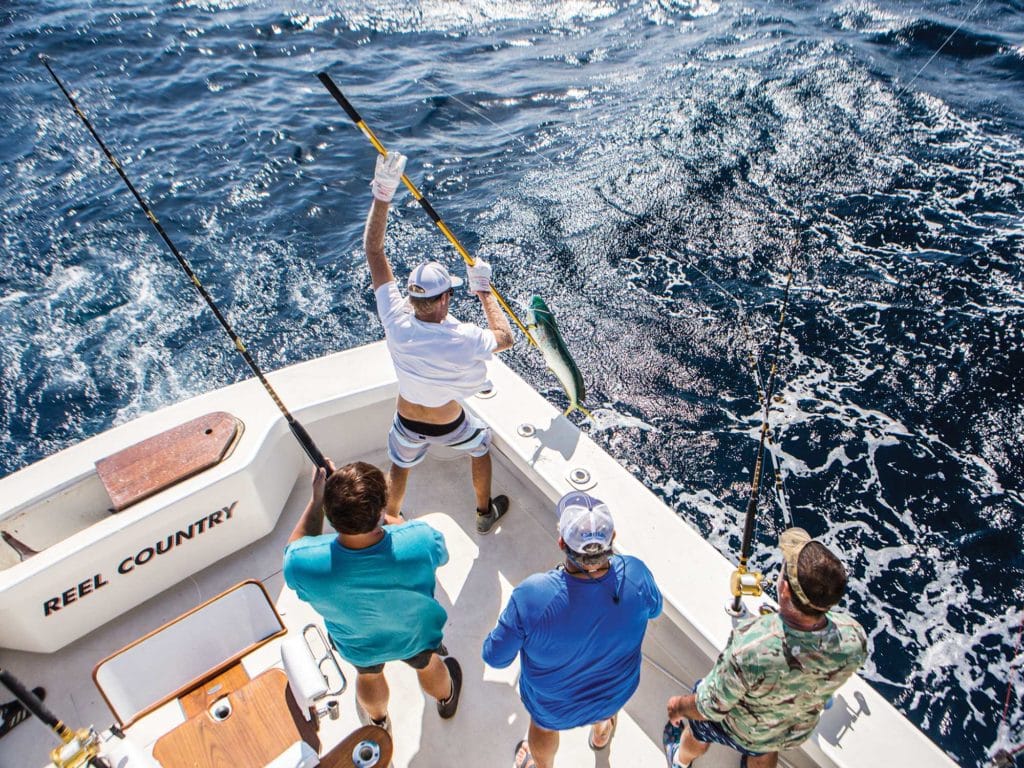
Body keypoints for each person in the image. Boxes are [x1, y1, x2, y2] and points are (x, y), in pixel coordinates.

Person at [363, 150, 515, 533]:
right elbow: (505, 337)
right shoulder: (463, 338)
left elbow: (374, 250)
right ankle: (484, 513)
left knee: (401, 462)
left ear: (414, 298)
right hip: (449, 425)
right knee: (480, 447)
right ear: (445, 298)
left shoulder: (395, 319)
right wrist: (484, 291)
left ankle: (391, 517)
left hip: (407, 419)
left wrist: (383, 193)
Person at [482, 491, 663, 768]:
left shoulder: (532, 596)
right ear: (612, 538)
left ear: (561, 542)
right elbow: (655, 609)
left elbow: (495, 658)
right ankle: (602, 735)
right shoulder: (637, 574)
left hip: (553, 709)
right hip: (615, 694)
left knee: (541, 726)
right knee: (605, 711)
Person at [663, 528, 868, 768]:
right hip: (788, 732)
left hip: (737, 728)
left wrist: (677, 706)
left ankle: (680, 760)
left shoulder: (751, 646)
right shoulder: (855, 637)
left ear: (784, 589)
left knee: (699, 727)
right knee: (766, 748)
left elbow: (710, 707)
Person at [283, 459, 462, 731]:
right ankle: (445, 698)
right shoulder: (420, 538)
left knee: (368, 676)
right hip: (415, 634)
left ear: (330, 516)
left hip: (358, 643)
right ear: (380, 509)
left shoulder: (301, 564)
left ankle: (378, 721)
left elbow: (294, 548)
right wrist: (392, 520)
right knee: (428, 664)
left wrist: (318, 498)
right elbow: (440, 554)